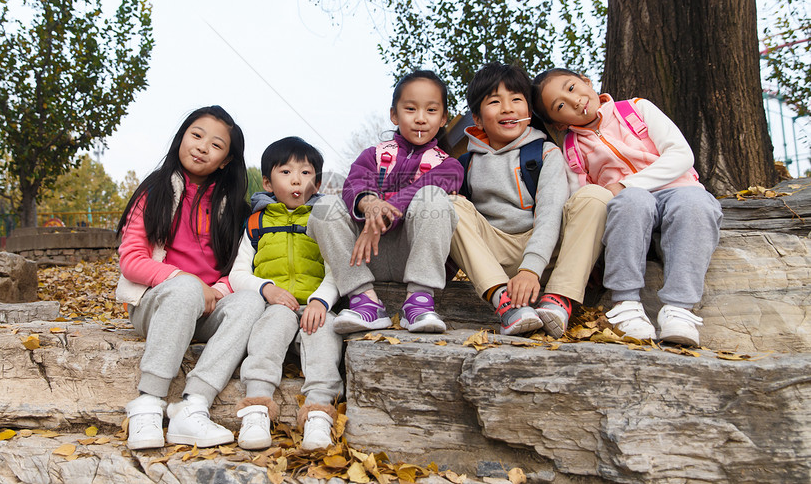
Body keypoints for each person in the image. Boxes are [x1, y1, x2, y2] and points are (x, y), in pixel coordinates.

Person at [531, 68, 722, 346]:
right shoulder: (571, 149)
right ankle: (626, 305)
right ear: (558, 123)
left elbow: (681, 154)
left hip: (677, 190)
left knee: (695, 204)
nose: (574, 101)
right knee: (633, 201)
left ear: (587, 81)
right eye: (560, 106)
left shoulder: (636, 109)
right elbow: (583, 200)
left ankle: (679, 310)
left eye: (572, 88)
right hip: (628, 208)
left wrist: (626, 184)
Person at [115, 106, 265, 450]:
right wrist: (187, 281)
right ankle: (148, 405)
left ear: (226, 160)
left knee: (250, 300)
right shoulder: (154, 191)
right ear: (182, 136)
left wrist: (215, 290)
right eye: (196, 135)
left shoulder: (235, 209)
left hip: (209, 309)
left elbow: (238, 269)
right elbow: (132, 260)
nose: (201, 147)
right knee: (183, 289)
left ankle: (192, 405)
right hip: (156, 305)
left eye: (216, 145)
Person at [449, 62, 611, 338]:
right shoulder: (465, 163)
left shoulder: (546, 152)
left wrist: (530, 270)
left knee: (596, 196)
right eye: (495, 102)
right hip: (496, 253)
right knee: (447, 204)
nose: (508, 108)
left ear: (529, 110)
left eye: (516, 100)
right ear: (477, 118)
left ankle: (559, 299)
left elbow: (550, 214)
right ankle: (506, 303)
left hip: (547, 253)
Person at [309, 70, 463, 334]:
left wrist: (382, 211)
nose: (421, 118)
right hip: (366, 254)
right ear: (394, 114)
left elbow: (421, 188)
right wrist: (368, 203)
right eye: (411, 108)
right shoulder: (373, 155)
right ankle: (364, 301)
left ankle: (420, 301)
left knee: (433, 199)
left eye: (431, 110)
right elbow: (354, 184)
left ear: (443, 118)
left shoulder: (450, 165)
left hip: (414, 255)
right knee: (323, 208)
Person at [230, 137, 343, 451]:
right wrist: (266, 289)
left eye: (306, 173)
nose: (297, 179)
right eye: (286, 172)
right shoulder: (256, 223)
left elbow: (336, 270)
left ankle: (319, 412)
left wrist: (321, 300)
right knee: (272, 325)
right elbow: (237, 274)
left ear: (317, 182)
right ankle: (257, 407)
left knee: (324, 332)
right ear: (267, 182)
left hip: (313, 305)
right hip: (275, 305)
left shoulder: (322, 219)